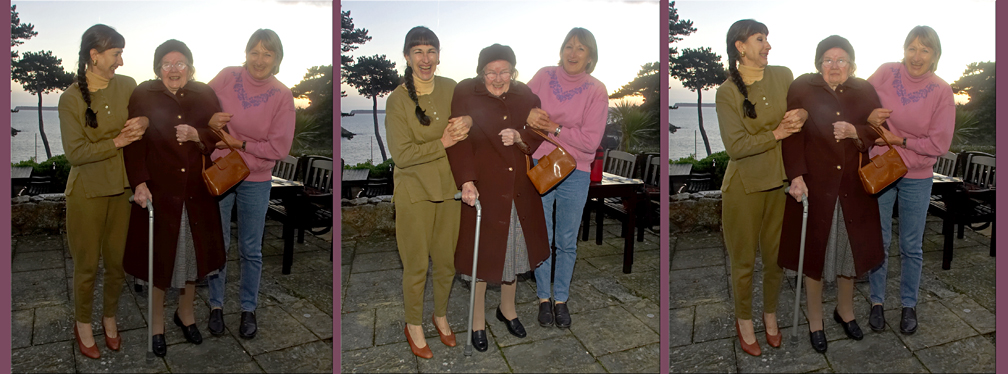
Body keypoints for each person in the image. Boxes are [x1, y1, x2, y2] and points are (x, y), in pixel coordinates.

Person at [779, 35, 886, 354]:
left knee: (848, 255)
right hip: (815, 187)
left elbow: (876, 130)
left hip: (853, 189)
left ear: (852, 64)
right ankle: (815, 321)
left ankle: (845, 312)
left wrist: (856, 132)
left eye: (841, 60)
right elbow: (792, 134)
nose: (834, 65)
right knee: (815, 255)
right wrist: (796, 175)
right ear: (818, 64)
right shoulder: (802, 87)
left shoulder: (864, 90)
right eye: (828, 59)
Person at [123, 39, 227, 357]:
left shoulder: (204, 93)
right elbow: (134, 142)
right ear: (157, 69)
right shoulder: (143, 93)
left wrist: (198, 135)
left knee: (192, 260)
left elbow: (216, 134)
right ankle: (156, 325)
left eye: (180, 63)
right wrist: (139, 182)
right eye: (166, 63)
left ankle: (186, 315)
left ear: (190, 68)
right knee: (159, 262)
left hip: (196, 195)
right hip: (160, 193)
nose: (173, 69)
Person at [447, 43, 549, 352]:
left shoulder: (526, 95)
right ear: (481, 72)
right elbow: (458, 141)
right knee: (482, 257)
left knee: (514, 252)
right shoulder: (465, 92)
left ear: (513, 72)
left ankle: (508, 310)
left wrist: (520, 137)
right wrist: (466, 180)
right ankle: (478, 321)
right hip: (485, 188)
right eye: (491, 72)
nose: (498, 78)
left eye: (505, 71)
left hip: (518, 190)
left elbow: (539, 130)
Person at [714, 19, 805, 357]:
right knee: (743, 263)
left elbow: (802, 108)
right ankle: (744, 322)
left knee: (775, 259)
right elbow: (736, 146)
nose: (767, 45)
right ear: (740, 46)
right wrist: (777, 133)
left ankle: (769, 315)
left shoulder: (783, 75)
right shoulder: (726, 92)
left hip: (779, 183)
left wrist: (803, 115)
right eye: (759, 39)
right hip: (744, 188)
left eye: (767, 38)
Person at [58, 24, 147, 359]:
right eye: (116, 54)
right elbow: (75, 153)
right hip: (87, 193)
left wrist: (145, 122)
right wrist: (117, 141)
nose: (121, 61)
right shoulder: (70, 99)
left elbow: (144, 117)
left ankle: (109, 317)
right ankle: (82, 324)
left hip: (122, 189)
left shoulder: (128, 85)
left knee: (117, 263)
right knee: (86, 267)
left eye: (121, 54)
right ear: (94, 55)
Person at [204, 29, 296, 340]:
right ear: (245, 53)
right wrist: (210, 122)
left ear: (277, 58)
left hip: (256, 179)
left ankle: (248, 308)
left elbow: (278, 148)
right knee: (218, 244)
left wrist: (238, 143)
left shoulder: (282, 95)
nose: (260, 59)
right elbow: (200, 106)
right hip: (221, 172)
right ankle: (216, 305)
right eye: (254, 52)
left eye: (267, 53)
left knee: (251, 249)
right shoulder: (227, 77)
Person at [385, 26, 470, 359]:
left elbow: (469, 121)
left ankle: (440, 315)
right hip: (414, 192)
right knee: (417, 265)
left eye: (431, 51)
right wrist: (443, 142)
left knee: (447, 262)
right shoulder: (397, 99)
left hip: (449, 189)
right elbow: (402, 155)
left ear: (438, 55)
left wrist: (468, 123)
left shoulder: (451, 87)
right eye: (418, 51)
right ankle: (413, 324)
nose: (425, 58)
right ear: (407, 57)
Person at [866, 26, 955, 335]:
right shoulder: (885, 73)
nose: (917, 56)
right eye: (912, 48)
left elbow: (939, 144)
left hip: (917, 176)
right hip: (882, 169)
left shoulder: (942, 91)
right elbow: (859, 101)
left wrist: (899, 140)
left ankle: (908, 305)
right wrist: (869, 118)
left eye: (925, 50)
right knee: (879, 240)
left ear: (935, 55)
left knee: (911, 245)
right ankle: (876, 302)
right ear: (904, 50)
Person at [524, 27, 608, 330]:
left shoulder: (597, 90)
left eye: (581, 48)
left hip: (576, 170)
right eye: (569, 46)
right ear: (561, 50)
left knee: (566, 241)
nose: (573, 53)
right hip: (541, 165)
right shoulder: (543, 75)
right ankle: (543, 298)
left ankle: (561, 299)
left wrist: (554, 128)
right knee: (542, 236)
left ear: (590, 57)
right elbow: (520, 104)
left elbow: (590, 142)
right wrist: (529, 115)